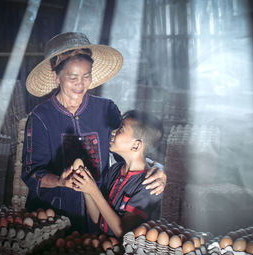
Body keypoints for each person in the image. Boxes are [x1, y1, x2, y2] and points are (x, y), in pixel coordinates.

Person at [21, 32, 167, 232]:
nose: (80, 84)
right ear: (56, 76)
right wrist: (60, 181)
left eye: (86, 75)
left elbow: (129, 146)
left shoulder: (106, 109)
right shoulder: (40, 117)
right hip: (52, 215)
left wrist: (156, 167)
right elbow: (31, 173)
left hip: (97, 217)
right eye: (72, 77)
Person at [72, 110, 163, 237]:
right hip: (105, 246)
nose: (113, 132)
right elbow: (97, 218)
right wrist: (86, 189)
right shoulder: (115, 169)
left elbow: (122, 231)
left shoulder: (149, 184)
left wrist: (94, 191)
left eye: (120, 130)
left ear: (136, 145)